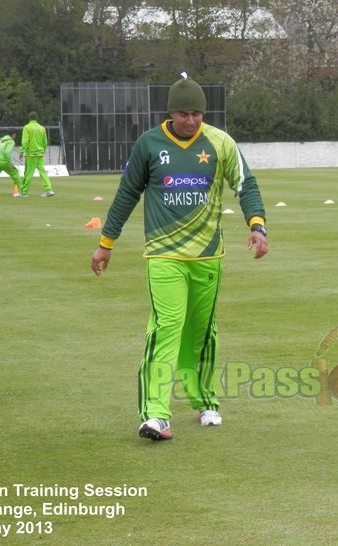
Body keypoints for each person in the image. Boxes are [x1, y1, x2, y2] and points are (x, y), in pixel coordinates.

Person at [90, 74, 268, 441]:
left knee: (201, 334)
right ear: (171, 113)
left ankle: (204, 402)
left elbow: (245, 183)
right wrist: (106, 243)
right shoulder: (149, 144)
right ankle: (155, 414)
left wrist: (257, 225)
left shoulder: (220, 143)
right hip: (163, 256)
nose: (191, 121)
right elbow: (126, 194)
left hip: (207, 258)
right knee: (166, 328)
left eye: (197, 114)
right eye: (184, 114)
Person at [19, 111, 54, 197]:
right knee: (43, 173)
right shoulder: (42, 128)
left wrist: (22, 151)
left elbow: (25, 141)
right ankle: (49, 190)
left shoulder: (27, 127)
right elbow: (45, 142)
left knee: (28, 173)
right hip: (40, 154)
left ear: (29, 118)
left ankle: (24, 192)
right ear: (36, 118)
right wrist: (43, 150)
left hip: (31, 154)